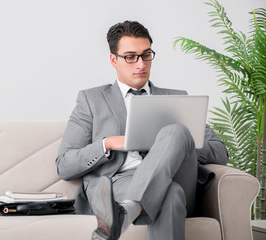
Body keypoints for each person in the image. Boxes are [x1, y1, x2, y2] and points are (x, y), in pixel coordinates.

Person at [55, 20, 228, 240]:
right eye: (130, 57)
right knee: (171, 194)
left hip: (178, 175)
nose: (141, 64)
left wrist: (178, 144)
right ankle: (132, 205)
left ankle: (126, 212)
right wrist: (107, 143)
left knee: (176, 131)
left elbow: (220, 152)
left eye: (146, 55)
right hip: (120, 183)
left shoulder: (176, 99)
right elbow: (64, 164)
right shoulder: (91, 100)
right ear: (113, 60)